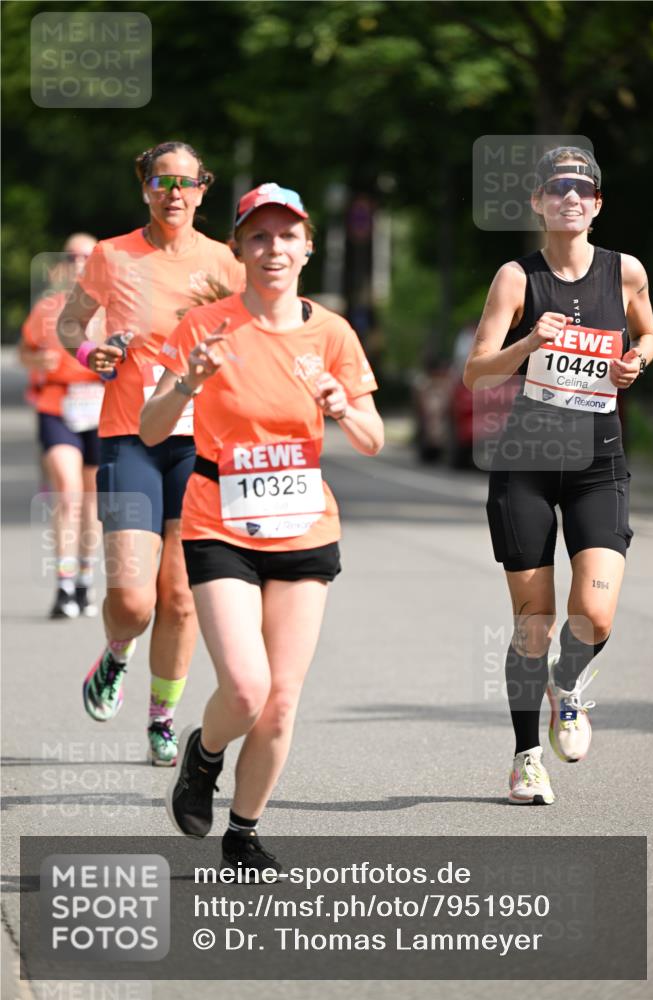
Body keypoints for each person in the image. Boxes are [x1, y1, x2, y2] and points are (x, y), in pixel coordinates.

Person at [140, 182, 383, 872]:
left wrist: (341, 405)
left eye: (286, 236)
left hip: (303, 528)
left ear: (306, 248)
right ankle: (204, 754)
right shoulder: (206, 328)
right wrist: (187, 382)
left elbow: (370, 439)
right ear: (240, 249)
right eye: (258, 237)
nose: (272, 249)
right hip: (220, 521)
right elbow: (152, 427)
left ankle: (243, 832)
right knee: (244, 688)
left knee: (279, 703)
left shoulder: (331, 333)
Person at [464, 147, 653, 805]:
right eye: (557, 188)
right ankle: (524, 759)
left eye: (582, 188)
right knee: (532, 624)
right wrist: (526, 344)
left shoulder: (623, 270)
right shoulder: (515, 278)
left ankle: (567, 687)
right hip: (523, 464)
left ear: (596, 204)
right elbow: (475, 371)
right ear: (538, 203)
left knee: (595, 613)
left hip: (597, 463)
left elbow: (649, 335)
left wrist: (635, 360)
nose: (570, 197)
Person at [57, 141, 245, 766]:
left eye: (186, 183)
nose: (174, 193)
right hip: (130, 436)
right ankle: (115, 654)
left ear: (202, 190)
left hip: (201, 442)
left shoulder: (225, 263)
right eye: (162, 181)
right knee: (135, 601)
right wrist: (90, 354)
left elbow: (253, 339)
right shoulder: (112, 256)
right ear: (145, 188)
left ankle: (162, 718)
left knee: (183, 596)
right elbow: (70, 324)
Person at [19, 233, 103, 618]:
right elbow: (26, 351)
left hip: (101, 409)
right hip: (58, 405)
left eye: (88, 256)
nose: (79, 263)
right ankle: (64, 586)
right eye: (72, 256)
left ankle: (85, 580)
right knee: (67, 493)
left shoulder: (110, 310)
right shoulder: (48, 308)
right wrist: (38, 364)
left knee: (92, 502)